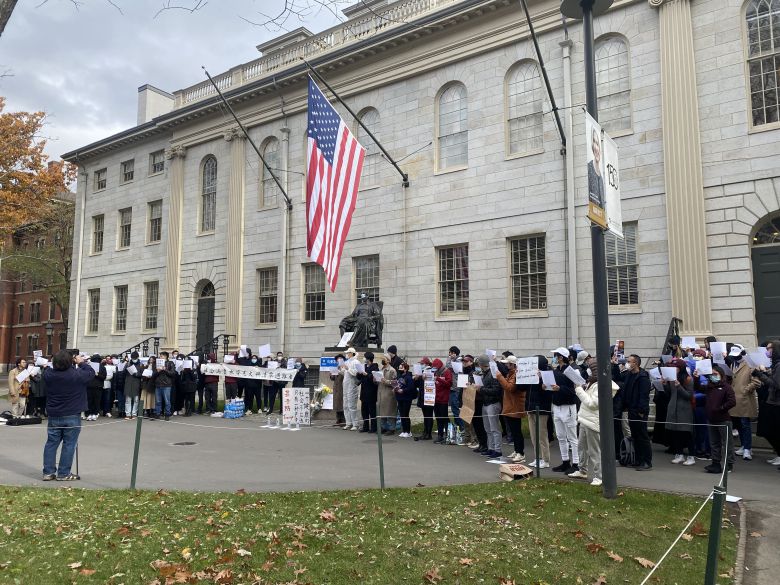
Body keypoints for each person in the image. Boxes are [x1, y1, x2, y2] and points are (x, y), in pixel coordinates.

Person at [42, 350, 95, 481]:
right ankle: (63, 473)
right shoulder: (77, 374)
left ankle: (48, 472)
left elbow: (46, 370)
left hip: (54, 413)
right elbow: (91, 373)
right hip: (72, 414)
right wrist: (82, 362)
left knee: (51, 443)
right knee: (69, 444)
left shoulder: (49, 374)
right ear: (70, 361)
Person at [570, 363, 618, 486]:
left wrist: (579, 389)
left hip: (593, 421)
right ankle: (582, 471)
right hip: (585, 419)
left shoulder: (603, 385)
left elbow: (592, 404)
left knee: (594, 451)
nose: (588, 372)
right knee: (582, 448)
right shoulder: (593, 383)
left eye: (590, 370)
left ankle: (599, 476)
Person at [612, 353, 652, 471]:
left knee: (642, 436)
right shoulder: (629, 375)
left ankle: (647, 461)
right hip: (631, 409)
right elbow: (621, 385)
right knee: (635, 435)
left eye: (630, 361)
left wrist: (641, 411)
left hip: (639, 411)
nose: (628, 363)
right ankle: (638, 459)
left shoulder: (643, 377)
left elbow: (644, 396)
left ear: (636, 363)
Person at [549, 347, 579, 474]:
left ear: (561, 357)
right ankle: (565, 461)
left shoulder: (570, 371)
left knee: (572, 437)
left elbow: (574, 391)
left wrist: (560, 388)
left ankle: (576, 463)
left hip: (568, 407)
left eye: (555, 356)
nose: (554, 358)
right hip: (557, 406)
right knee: (561, 436)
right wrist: (548, 386)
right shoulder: (556, 370)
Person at [703, 364, 737, 474]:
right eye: (711, 374)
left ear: (721, 375)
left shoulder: (726, 387)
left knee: (727, 443)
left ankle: (729, 464)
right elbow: (698, 388)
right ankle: (715, 462)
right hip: (711, 419)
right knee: (714, 443)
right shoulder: (710, 387)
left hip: (723, 419)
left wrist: (720, 408)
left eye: (715, 374)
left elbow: (732, 402)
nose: (713, 376)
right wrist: (697, 377)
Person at [663, 358, 696, 466]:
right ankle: (679, 454)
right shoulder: (672, 379)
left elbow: (689, 395)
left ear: (680, 368)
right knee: (675, 432)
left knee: (686, 433)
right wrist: (665, 384)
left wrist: (679, 386)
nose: (672, 369)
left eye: (674, 367)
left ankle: (691, 456)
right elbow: (669, 393)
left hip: (684, 409)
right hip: (673, 408)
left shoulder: (688, 379)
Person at [728, 346, 759, 461]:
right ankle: (743, 446)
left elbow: (756, 380)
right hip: (735, 399)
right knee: (739, 424)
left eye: (738, 355)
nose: (736, 358)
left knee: (745, 424)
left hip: (744, 399)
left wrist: (746, 390)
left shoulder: (750, 364)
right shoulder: (733, 364)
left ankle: (747, 448)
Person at [497, 355, 526, 462]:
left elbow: (510, 388)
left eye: (507, 363)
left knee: (516, 431)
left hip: (515, 406)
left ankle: (521, 453)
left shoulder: (516, 374)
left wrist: (500, 377)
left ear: (512, 364)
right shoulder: (511, 373)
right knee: (513, 431)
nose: (506, 365)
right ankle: (517, 450)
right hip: (510, 406)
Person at [525, 355, 552, 468]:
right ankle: (537, 458)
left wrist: (541, 379)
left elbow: (548, 391)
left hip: (541, 408)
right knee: (533, 435)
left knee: (542, 435)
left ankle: (545, 459)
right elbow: (521, 388)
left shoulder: (547, 375)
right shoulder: (531, 375)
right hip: (531, 407)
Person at [476, 355, 502, 458]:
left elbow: (496, 390)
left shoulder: (493, 374)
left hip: (493, 403)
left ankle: (498, 449)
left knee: (494, 428)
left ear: (482, 364)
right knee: (488, 428)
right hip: (486, 403)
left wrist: (481, 389)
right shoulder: (485, 373)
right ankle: (491, 448)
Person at [446, 346, 464, 444]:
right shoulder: (454, 361)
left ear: (454, 353)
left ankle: (461, 427)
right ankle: (458, 427)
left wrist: (450, 358)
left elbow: (448, 366)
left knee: (456, 408)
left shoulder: (458, 361)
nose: (449, 355)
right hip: (452, 387)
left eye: (450, 353)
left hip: (456, 388)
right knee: (453, 408)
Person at [431, 358, 452, 444]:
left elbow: (449, 384)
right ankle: (440, 435)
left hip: (443, 399)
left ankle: (448, 435)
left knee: (444, 418)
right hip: (436, 399)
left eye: (436, 368)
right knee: (438, 418)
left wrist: (439, 379)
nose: (435, 369)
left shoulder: (447, 372)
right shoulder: (435, 372)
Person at [358, 351, 379, 433]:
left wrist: (367, 374)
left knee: (372, 411)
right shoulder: (364, 366)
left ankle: (374, 427)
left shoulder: (375, 367)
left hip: (371, 393)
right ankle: (365, 426)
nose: (364, 359)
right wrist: (359, 373)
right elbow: (359, 377)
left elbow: (374, 378)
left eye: (365, 357)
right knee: (364, 411)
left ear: (369, 359)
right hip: (364, 392)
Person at [413, 357, 434, 441]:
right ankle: (425, 432)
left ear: (427, 364)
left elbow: (431, 383)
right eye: (421, 364)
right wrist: (416, 379)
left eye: (422, 364)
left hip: (429, 396)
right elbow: (417, 385)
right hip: (422, 396)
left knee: (429, 415)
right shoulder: (421, 373)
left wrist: (426, 378)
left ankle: (428, 433)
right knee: (425, 416)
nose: (421, 365)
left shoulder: (431, 372)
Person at [378, 355, 398, 435]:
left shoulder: (392, 370)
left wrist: (385, 381)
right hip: (381, 392)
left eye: (384, 359)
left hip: (389, 394)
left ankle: (391, 428)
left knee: (390, 411)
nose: (382, 360)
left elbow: (395, 383)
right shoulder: (381, 369)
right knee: (381, 411)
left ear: (388, 360)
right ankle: (383, 427)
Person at [394, 362, 416, 437]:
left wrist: (403, 390)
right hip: (399, 398)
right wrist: (395, 388)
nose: (399, 369)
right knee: (402, 414)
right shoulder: (399, 376)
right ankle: (404, 430)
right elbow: (396, 384)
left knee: (406, 414)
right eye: (399, 368)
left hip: (406, 398)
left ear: (405, 369)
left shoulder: (408, 377)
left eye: (401, 368)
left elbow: (411, 387)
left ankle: (408, 431)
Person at [153, 351, 175, 420]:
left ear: (165, 356)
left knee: (167, 401)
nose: (160, 357)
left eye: (161, 356)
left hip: (166, 385)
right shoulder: (157, 363)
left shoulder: (170, 363)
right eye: (160, 356)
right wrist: (157, 371)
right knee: (158, 401)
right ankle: (157, 413)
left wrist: (165, 369)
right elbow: (153, 375)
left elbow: (172, 373)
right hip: (158, 384)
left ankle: (167, 414)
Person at [342, 348, 361, 431]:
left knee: (351, 405)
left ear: (352, 353)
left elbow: (357, 373)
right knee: (345, 405)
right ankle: (348, 423)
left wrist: (347, 369)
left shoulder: (356, 362)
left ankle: (355, 424)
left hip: (352, 386)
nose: (347, 354)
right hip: (346, 386)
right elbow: (344, 373)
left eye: (348, 353)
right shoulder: (347, 362)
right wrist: (340, 369)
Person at [86, 355, 106, 421]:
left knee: (96, 401)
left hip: (97, 386)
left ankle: (95, 413)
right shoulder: (88, 367)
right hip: (90, 386)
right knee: (91, 400)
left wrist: (97, 375)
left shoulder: (102, 367)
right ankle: (90, 414)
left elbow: (103, 377)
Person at [124, 351, 143, 419]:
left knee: (136, 400)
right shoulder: (128, 364)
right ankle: (128, 414)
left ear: (137, 357)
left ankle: (134, 413)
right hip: (128, 383)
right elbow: (123, 373)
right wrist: (126, 368)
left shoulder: (141, 364)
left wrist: (137, 374)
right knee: (128, 400)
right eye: (132, 358)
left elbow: (142, 374)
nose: (133, 359)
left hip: (136, 383)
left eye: (135, 358)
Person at [330, 354, 346, 427]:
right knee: (336, 403)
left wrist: (340, 371)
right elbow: (333, 378)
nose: (338, 361)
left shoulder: (345, 367)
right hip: (336, 387)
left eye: (340, 359)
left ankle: (343, 420)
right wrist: (331, 375)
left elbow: (346, 376)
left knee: (342, 403)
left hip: (342, 387)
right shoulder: (336, 367)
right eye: (337, 359)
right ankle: (338, 419)